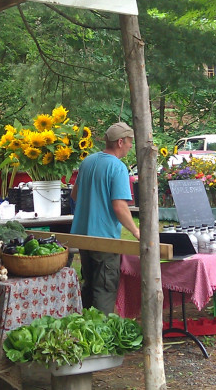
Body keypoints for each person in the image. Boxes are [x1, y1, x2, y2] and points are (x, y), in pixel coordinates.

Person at [70, 122, 140, 314]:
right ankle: (101, 336)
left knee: (90, 284)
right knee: (104, 288)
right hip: (104, 240)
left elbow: (75, 195)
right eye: (129, 142)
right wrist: (136, 231)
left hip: (83, 236)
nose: (130, 146)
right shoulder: (118, 168)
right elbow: (119, 206)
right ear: (120, 142)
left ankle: (83, 329)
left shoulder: (88, 162)